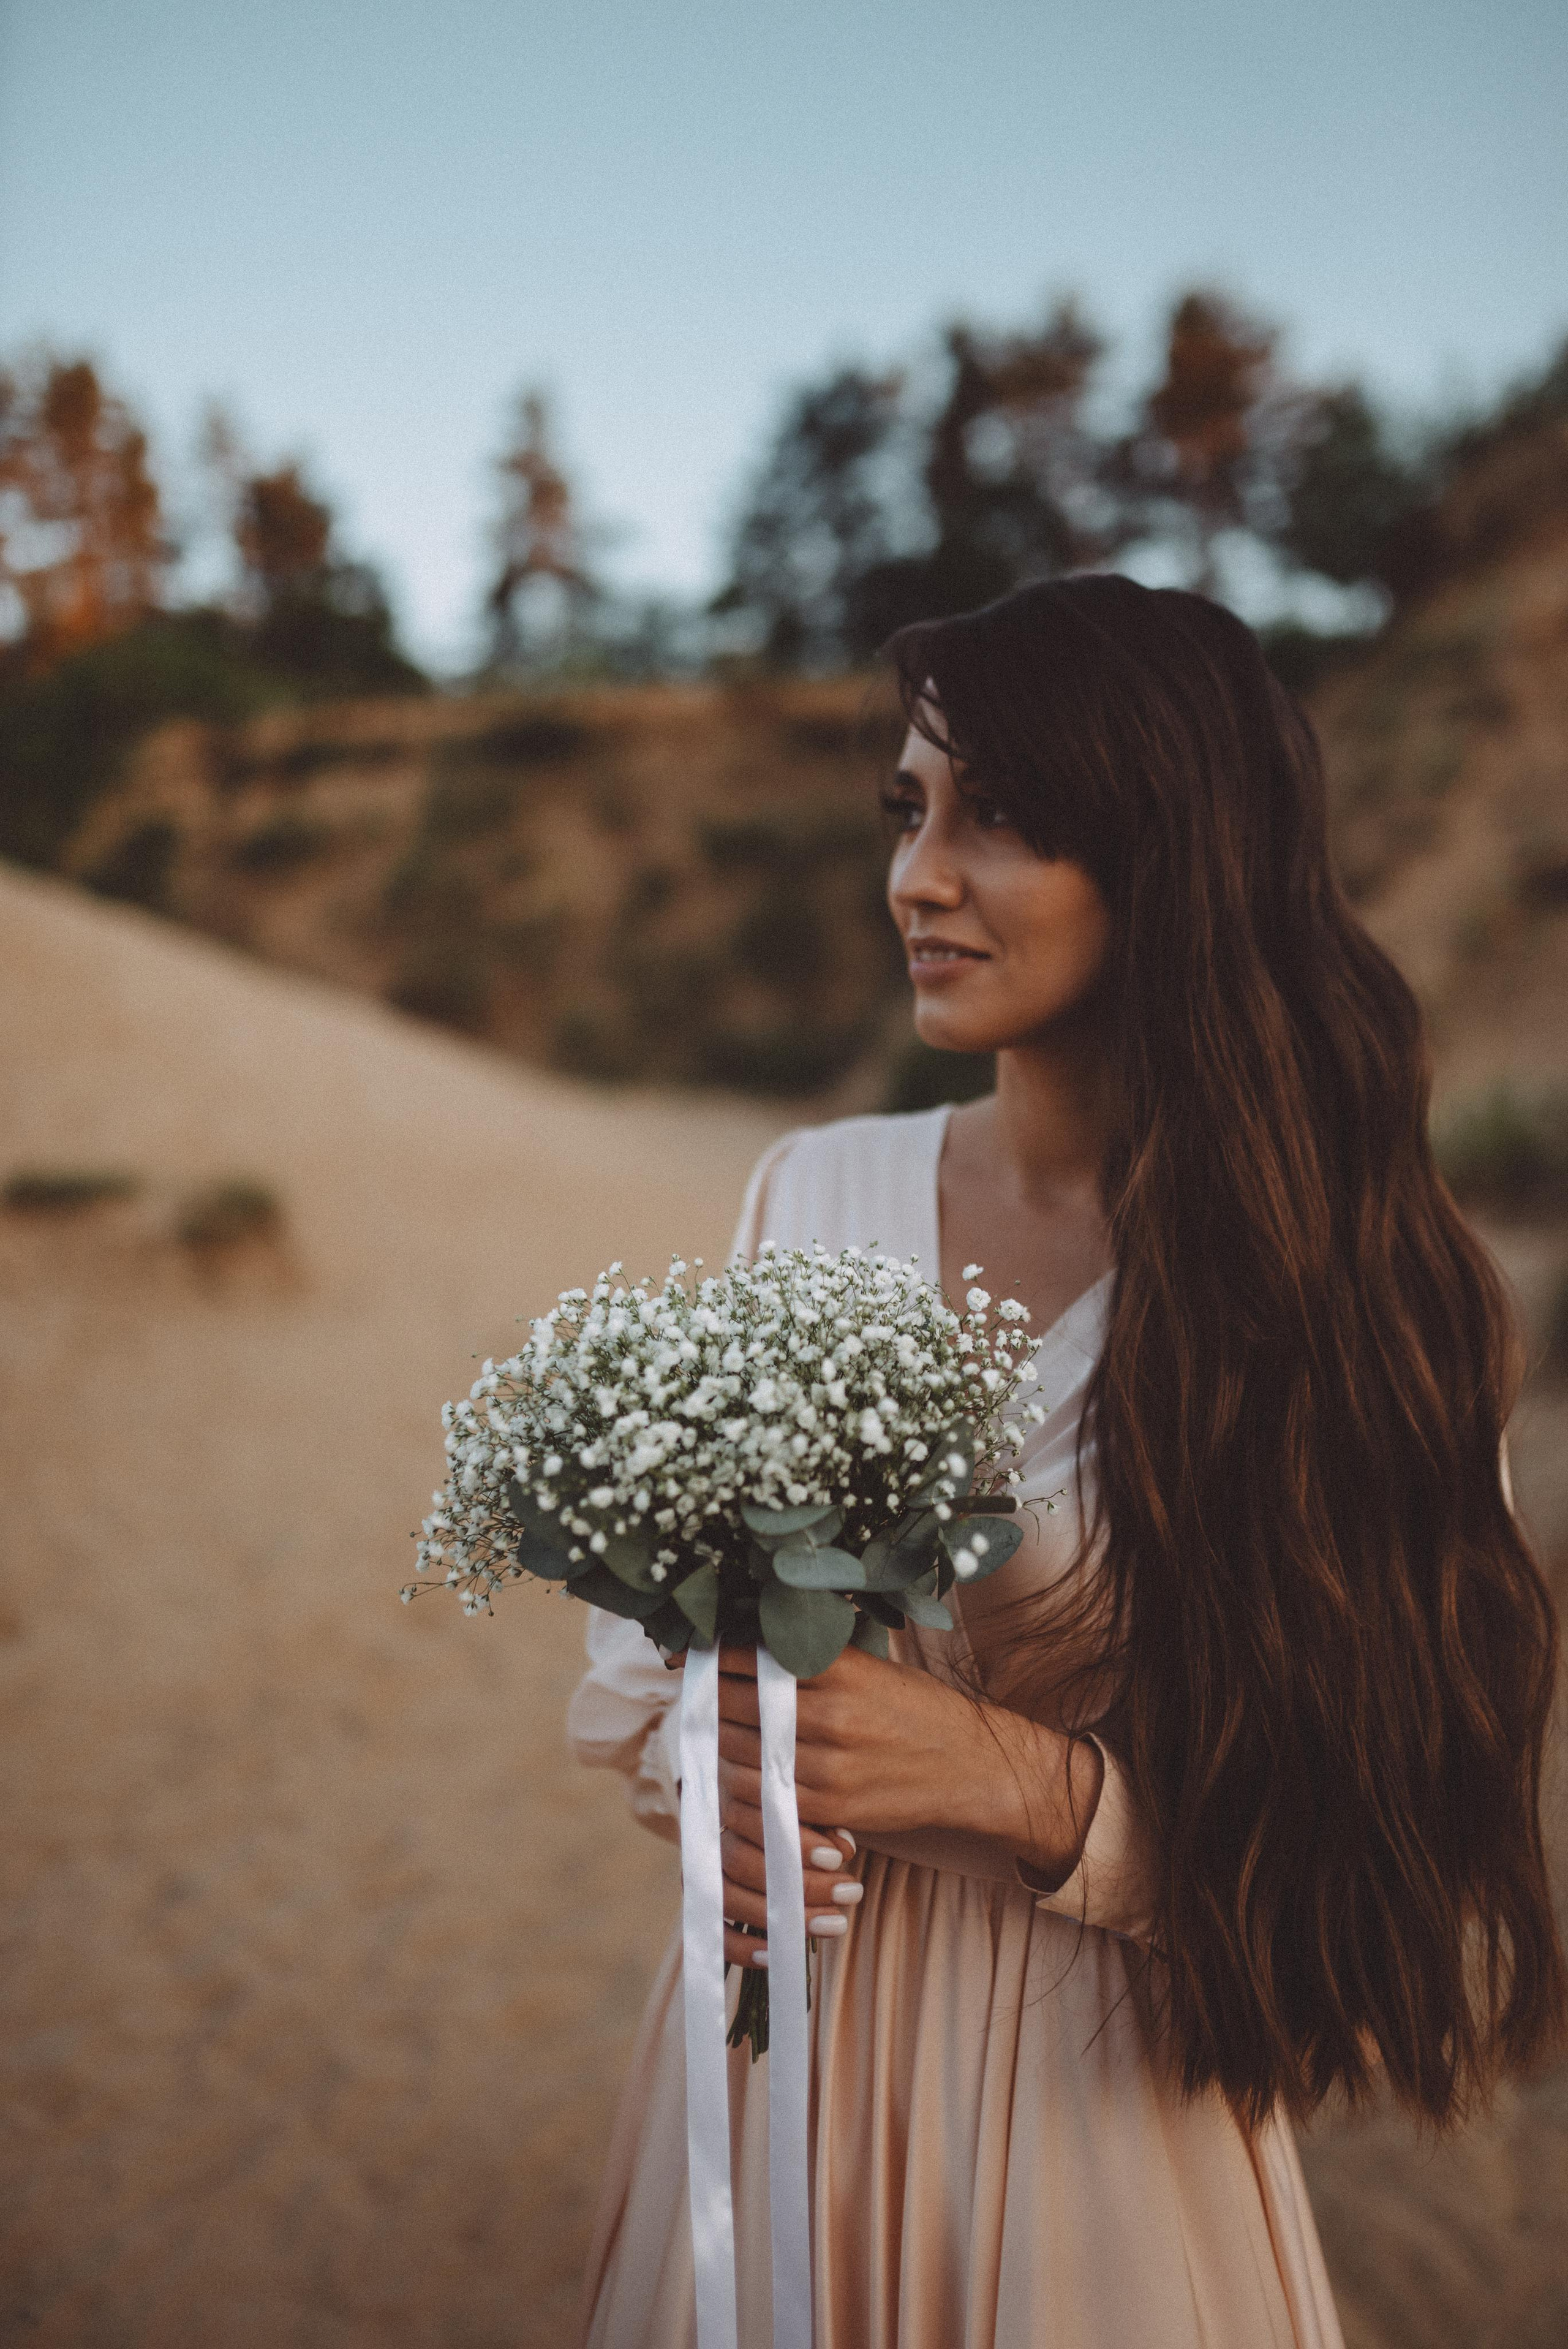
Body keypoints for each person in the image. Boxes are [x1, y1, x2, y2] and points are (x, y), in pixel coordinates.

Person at [566, 575, 1564, 2348]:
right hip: (760, 2092)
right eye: (911, 809)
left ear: (1175, 852)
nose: (919, 876)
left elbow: (1387, 1853)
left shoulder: (1358, 1293)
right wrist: (709, 1760)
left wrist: (1015, 1783)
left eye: (1002, 817)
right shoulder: (813, 1192)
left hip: (1092, 2136)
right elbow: (661, 1668)